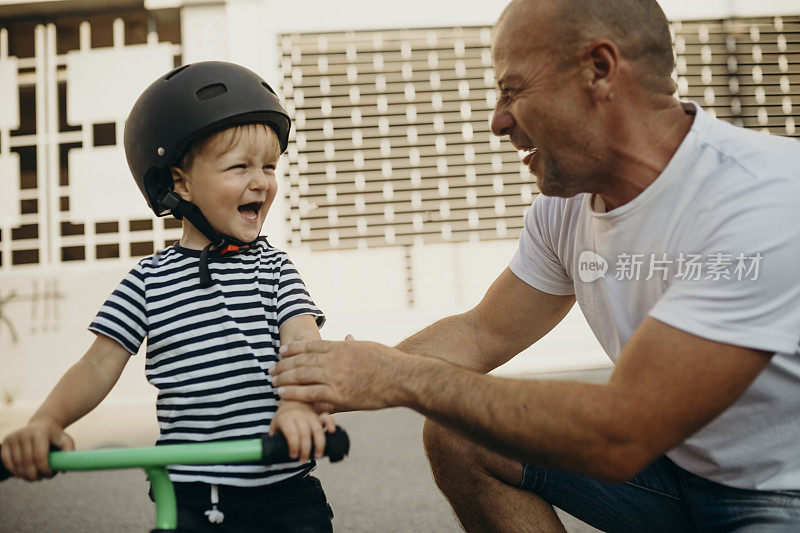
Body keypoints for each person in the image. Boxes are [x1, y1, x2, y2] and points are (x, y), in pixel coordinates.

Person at [269, 0, 800, 531]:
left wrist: (402, 377)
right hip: (671, 474)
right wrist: (331, 381)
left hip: (781, 493)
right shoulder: (566, 207)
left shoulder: (761, 199)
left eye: (513, 90)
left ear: (599, 70)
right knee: (460, 434)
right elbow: (482, 333)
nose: (498, 122)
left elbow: (621, 431)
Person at [1, 61, 336, 532]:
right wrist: (45, 422)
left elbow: (303, 343)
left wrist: (298, 407)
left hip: (285, 489)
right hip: (190, 496)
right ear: (179, 183)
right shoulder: (147, 280)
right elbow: (97, 365)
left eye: (269, 166)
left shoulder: (275, 269)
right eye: (239, 166)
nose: (261, 181)